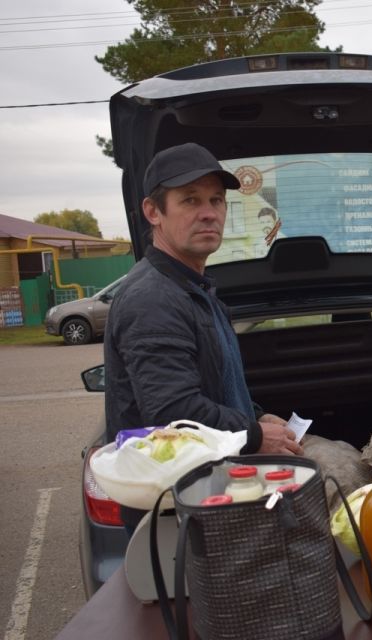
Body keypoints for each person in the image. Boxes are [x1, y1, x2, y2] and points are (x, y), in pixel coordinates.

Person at [105, 142, 304, 529]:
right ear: (153, 212)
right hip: (181, 516)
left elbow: (214, 386)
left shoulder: (194, 289)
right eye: (190, 200)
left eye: (217, 200)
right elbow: (173, 414)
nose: (209, 213)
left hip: (215, 493)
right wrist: (253, 435)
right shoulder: (152, 300)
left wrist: (260, 417)